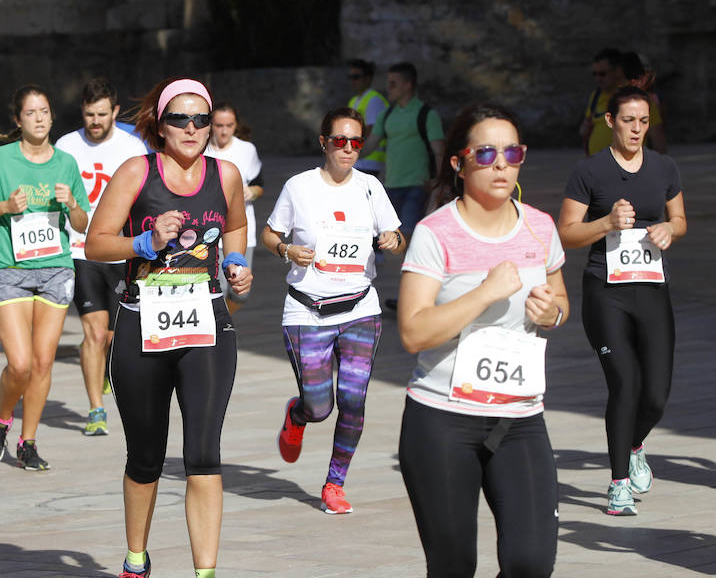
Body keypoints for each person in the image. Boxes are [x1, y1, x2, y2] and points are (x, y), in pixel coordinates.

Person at [85, 77, 252, 578]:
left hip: (206, 324)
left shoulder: (226, 175)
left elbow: (237, 225)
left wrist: (238, 264)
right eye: (180, 118)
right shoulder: (137, 171)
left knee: (203, 452)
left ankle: (206, 572)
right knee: (146, 456)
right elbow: (96, 243)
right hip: (142, 324)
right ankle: (136, 558)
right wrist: (143, 243)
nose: (192, 128)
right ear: (160, 125)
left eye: (201, 119)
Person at [397, 104, 568, 577]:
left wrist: (552, 313)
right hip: (442, 420)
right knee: (453, 567)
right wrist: (484, 293)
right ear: (459, 161)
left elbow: (560, 302)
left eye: (511, 152)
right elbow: (413, 331)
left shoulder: (539, 225)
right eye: (486, 152)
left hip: (520, 418)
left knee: (531, 563)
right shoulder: (436, 232)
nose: (500, 164)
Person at [262, 107, 406, 514]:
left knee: (354, 399)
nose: (348, 148)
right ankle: (299, 413)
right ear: (323, 142)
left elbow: (395, 234)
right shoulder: (299, 187)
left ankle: (334, 484)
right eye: (339, 141)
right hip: (308, 312)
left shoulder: (370, 187)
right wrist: (287, 249)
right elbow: (270, 234)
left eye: (355, 142)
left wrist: (394, 240)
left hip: (360, 308)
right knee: (320, 406)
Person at [558, 83, 686, 516]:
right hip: (605, 290)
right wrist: (607, 222)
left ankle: (634, 445)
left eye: (644, 121)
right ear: (610, 121)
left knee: (656, 395)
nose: (637, 129)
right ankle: (618, 484)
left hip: (652, 288)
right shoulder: (589, 171)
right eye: (628, 120)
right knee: (625, 384)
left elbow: (680, 218)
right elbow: (567, 233)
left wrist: (671, 229)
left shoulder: (664, 166)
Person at [0, 84, 90, 471]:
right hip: (9, 269)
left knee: (42, 362)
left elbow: (84, 221)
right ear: (18, 120)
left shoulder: (67, 163)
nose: (39, 118)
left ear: (52, 117)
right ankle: (3, 420)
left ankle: (28, 441)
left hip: (56, 268)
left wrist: (71, 204)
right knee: (18, 364)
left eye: (45, 111)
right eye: (31, 112)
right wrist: (4, 206)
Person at [55, 78, 147, 436]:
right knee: (94, 333)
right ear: (82, 112)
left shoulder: (132, 146)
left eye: (102, 114)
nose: (95, 121)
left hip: (123, 251)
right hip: (80, 250)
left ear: (115, 112)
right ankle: (96, 408)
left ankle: (109, 372)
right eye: (89, 114)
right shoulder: (66, 146)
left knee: (113, 336)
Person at [363, 61, 444, 239]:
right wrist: (342, 151)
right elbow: (369, 145)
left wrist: (439, 184)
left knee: (407, 236)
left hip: (417, 186)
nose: (388, 88)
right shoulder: (387, 115)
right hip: (390, 187)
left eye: (393, 83)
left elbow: (439, 151)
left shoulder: (427, 115)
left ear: (407, 85)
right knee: (392, 239)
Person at [204, 101, 263, 315]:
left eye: (229, 125)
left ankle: (222, 321)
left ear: (236, 125)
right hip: (211, 233)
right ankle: (219, 328)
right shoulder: (202, 148)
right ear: (211, 125)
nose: (224, 131)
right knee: (217, 290)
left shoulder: (247, 150)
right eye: (219, 125)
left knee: (240, 293)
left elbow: (260, 185)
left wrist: (253, 192)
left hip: (242, 231)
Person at [579, 48, 666, 156]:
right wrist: (584, 130)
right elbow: (586, 126)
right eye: (595, 74)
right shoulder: (596, 96)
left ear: (618, 71)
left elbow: (658, 138)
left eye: (602, 74)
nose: (598, 78)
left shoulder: (638, 100)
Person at [346, 59, 389, 177]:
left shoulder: (374, 100)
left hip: (370, 162)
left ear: (368, 78)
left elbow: (371, 130)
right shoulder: (354, 101)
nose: (352, 81)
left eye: (356, 77)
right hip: (357, 160)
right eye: (350, 77)